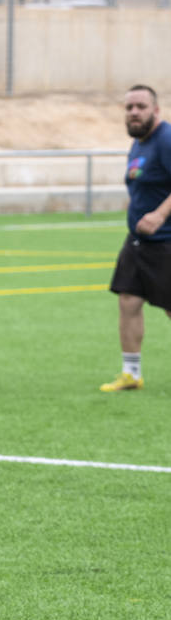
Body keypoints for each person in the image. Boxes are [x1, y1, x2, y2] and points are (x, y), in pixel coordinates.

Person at [100, 85, 171, 392]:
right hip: (138, 242)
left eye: (141, 106)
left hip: (167, 241)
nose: (134, 112)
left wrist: (159, 215)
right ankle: (132, 373)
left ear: (156, 110)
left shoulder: (166, 140)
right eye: (129, 107)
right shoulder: (139, 143)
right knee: (128, 300)